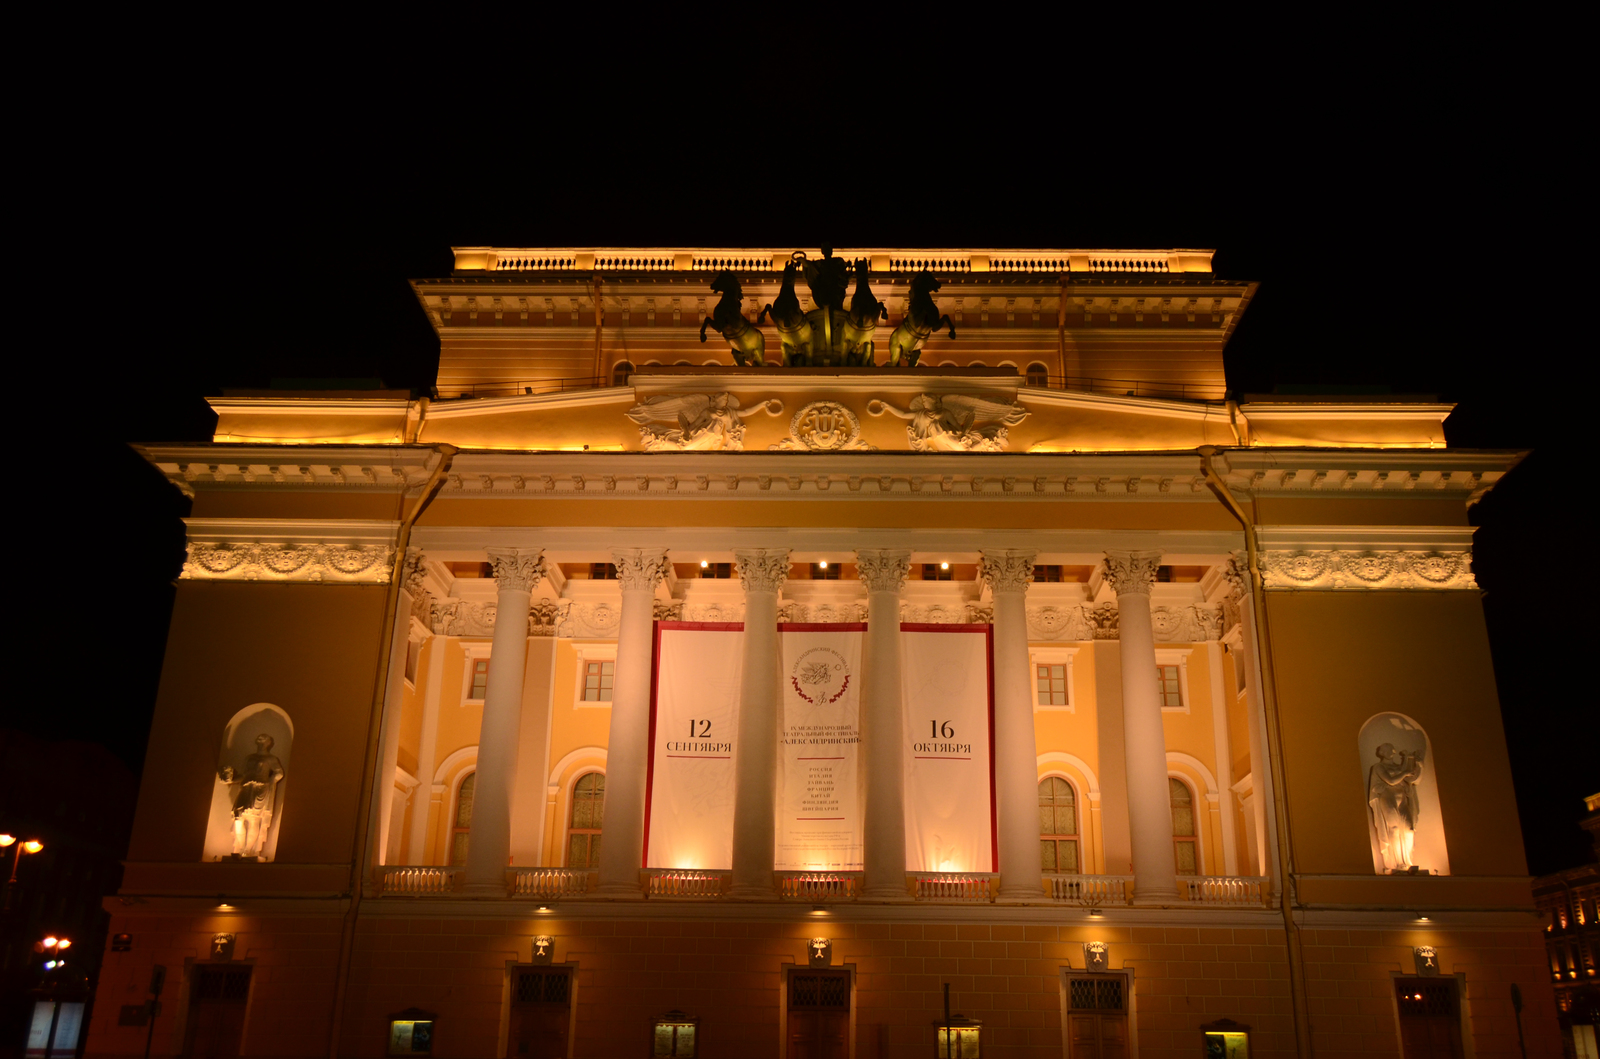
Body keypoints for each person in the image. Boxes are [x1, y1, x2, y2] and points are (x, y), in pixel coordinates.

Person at [219, 733, 285, 860]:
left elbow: (279, 773)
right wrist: (230, 779)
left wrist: (267, 782)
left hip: (260, 789)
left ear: (268, 743)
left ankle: (247, 850)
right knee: (238, 818)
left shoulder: (271, 759)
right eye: (259, 738)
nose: (261, 740)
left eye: (264, 738)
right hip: (246, 787)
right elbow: (244, 774)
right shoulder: (249, 758)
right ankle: (239, 849)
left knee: (254, 819)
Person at [1367, 742, 1423, 871]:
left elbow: (1414, 780)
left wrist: (1420, 765)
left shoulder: (1400, 767)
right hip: (1388, 797)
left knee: (1409, 829)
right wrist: (1405, 772)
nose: (1391, 752)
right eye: (1387, 750)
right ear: (1382, 753)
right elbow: (1391, 781)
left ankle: (1407, 861)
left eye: (1391, 750)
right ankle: (1397, 863)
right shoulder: (1378, 767)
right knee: (1395, 828)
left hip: (1402, 799)